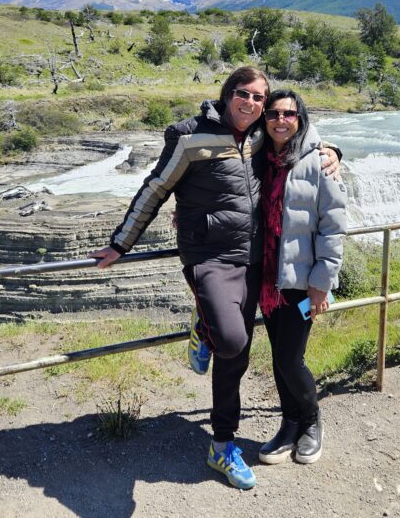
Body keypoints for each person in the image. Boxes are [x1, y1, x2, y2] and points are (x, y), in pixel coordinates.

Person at [88, 67, 338, 490]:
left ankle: (222, 445)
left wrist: (333, 152)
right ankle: (205, 324)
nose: (252, 103)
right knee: (233, 341)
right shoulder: (188, 136)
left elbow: (300, 138)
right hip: (210, 256)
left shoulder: (260, 134)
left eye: (259, 98)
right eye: (244, 94)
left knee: (235, 358)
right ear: (226, 94)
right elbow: (155, 189)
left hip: (256, 260)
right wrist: (120, 244)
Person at [256, 90, 346, 467]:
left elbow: (333, 226)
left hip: (302, 281)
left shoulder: (320, 162)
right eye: (273, 113)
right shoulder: (258, 157)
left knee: (290, 359)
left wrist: (321, 283)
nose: (280, 120)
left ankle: (310, 421)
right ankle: (289, 424)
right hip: (267, 280)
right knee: (280, 358)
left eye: (289, 114)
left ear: (300, 118)